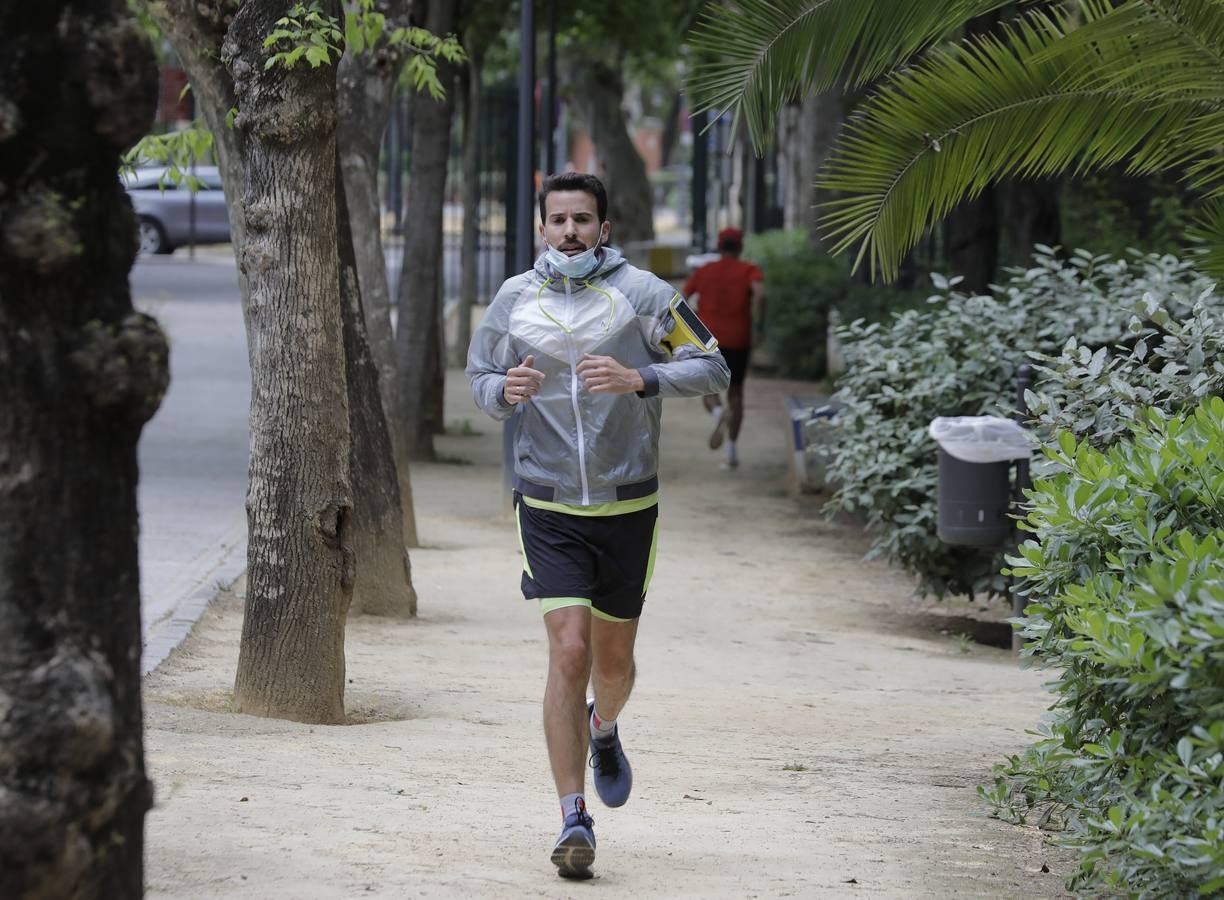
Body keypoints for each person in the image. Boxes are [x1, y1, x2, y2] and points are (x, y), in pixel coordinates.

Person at [466, 172, 729, 880]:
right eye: (558, 220)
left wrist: (641, 379)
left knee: (611, 667)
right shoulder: (514, 298)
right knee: (570, 651)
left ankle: (603, 728)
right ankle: (571, 816)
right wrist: (503, 392)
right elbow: (480, 375)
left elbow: (713, 368)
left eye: (584, 219)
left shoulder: (643, 296)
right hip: (548, 504)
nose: (571, 231)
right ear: (540, 229)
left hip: (626, 506)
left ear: (604, 230)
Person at [682, 227, 765, 468]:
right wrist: (759, 327)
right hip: (740, 338)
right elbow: (760, 295)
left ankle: (719, 415)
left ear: (719, 247)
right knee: (736, 392)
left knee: (708, 390)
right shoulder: (749, 270)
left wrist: (693, 319)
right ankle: (731, 453)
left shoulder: (705, 271)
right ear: (739, 247)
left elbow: (682, 297)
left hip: (709, 340)